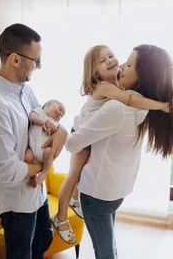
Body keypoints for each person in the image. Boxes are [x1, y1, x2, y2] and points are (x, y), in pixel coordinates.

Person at [51, 44, 170, 244]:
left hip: (88, 143)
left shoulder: (117, 89)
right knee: (73, 175)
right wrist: (161, 106)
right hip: (79, 133)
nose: (114, 61)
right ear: (95, 74)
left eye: (112, 56)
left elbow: (131, 100)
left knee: (78, 173)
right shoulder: (107, 89)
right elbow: (130, 100)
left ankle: (74, 198)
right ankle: (61, 216)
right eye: (102, 60)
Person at [0, 23, 68, 259]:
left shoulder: (24, 89)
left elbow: (39, 110)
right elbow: (7, 171)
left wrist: (59, 130)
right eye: (36, 60)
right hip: (17, 204)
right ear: (15, 59)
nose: (40, 65)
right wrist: (45, 167)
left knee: (43, 239)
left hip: (37, 193)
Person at [25, 99, 65, 187]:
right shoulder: (39, 112)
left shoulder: (55, 122)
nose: (60, 114)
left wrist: (52, 129)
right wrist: (43, 122)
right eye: (59, 109)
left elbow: (57, 134)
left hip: (44, 151)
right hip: (32, 148)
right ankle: (33, 176)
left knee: (49, 152)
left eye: (62, 115)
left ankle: (44, 173)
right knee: (27, 157)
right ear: (48, 105)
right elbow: (32, 116)